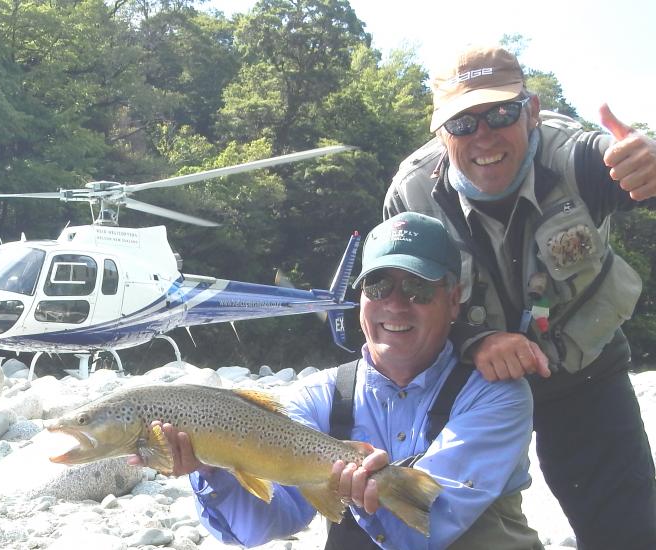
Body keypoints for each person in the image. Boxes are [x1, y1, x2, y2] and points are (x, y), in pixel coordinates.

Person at [130, 212, 543, 549]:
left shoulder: (495, 395)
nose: (395, 305)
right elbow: (263, 525)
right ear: (360, 297)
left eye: (417, 288)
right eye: (378, 286)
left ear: (453, 300)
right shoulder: (318, 397)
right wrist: (212, 469)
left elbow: (430, 522)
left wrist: (362, 495)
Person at [383, 44, 656, 550]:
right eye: (463, 122)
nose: (483, 136)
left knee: (628, 531)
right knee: (449, 529)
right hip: (472, 382)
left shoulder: (582, 159)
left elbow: (637, 175)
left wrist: (652, 167)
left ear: (531, 111)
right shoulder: (412, 195)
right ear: (441, 132)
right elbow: (401, 306)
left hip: (584, 370)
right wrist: (474, 341)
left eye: (501, 113)